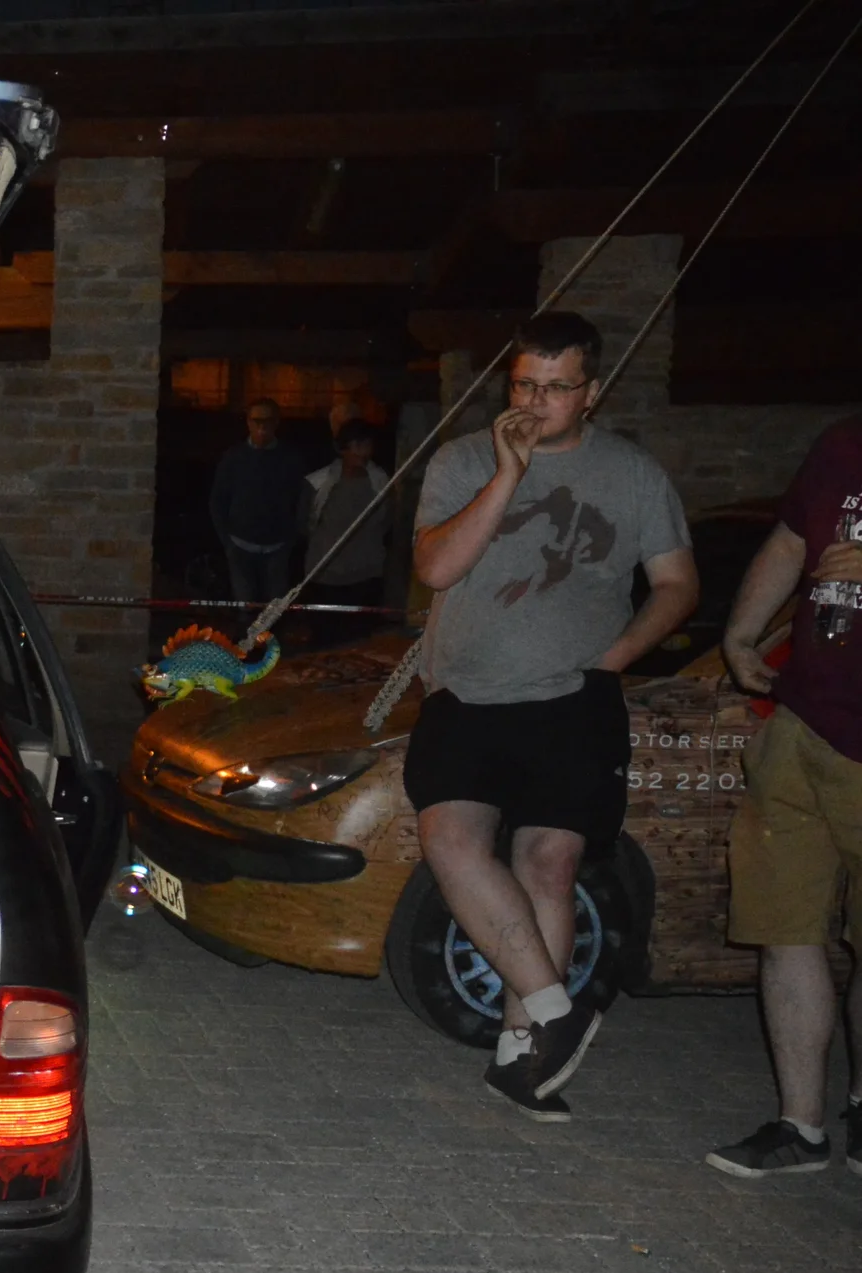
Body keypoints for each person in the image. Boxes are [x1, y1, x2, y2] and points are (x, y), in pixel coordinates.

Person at [407, 311, 697, 1116]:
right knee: (450, 840)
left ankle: (522, 1055)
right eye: (523, 386)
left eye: (556, 388)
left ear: (592, 391)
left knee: (550, 867)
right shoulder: (467, 459)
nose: (536, 403)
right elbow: (435, 568)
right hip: (467, 691)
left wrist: (620, 654)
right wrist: (508, 473)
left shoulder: (633, 475)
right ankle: (556, 1012)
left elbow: (677, 583)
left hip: (575, 698)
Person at [706, 415, 862, 1177]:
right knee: (784, 929)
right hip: (802, 726)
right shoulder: (840, 442)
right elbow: (791, 541)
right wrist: (742, 632)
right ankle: (799, 1126)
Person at [299, 419, 393, 648]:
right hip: (326, 574)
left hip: (365, 574)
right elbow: (304, 523)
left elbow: (388, 521)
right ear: (342, 448)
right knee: (324, 639)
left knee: (359, 642)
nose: (363, 452)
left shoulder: (381, 483)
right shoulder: (318, 483)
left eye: (367, 445)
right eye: (357, 445)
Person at [210, 398, 308, 604]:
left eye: (268, 421)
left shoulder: (290, 458)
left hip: (277, 548)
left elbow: (301, 499)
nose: (262, 426)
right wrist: (228, 543)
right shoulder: (234, 457)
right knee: (245, 608)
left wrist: (292, 539)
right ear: (248, 422)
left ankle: (270, 637)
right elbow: (218, 500)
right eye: (256, 420)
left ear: (276, 423)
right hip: (240, 546)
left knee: (273, 612)